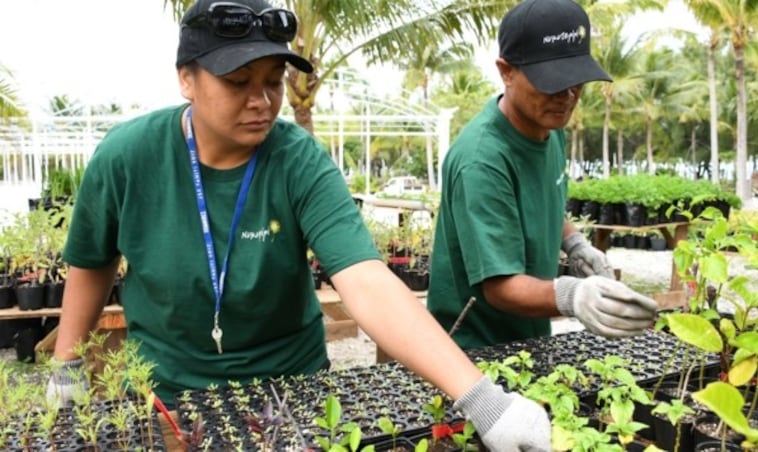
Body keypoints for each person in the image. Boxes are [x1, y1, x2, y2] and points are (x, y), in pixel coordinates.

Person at [46, 0, 552, 449]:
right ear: (186, 78)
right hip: (168, 393)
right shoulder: (129, 156)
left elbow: (367, 282)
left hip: (289, 392)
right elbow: (92, 260)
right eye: (237, 82)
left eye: (272, 82)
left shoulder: (298, 161)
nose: (261, 101)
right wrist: (67, 364)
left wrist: (483, 400)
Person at [428, 0, 660, 350]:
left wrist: (575, 242)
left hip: (530, 337)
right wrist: (574, 295)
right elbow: (501, 288)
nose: (567, 97)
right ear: (506, 71)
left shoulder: (549, 127)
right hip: (474, 347)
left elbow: (542, 200)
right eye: (552, 83)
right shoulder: (482, 160)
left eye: (577, 83)